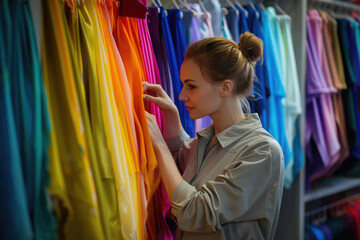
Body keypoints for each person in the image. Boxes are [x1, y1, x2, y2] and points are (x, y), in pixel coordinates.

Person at [143, 32, 285, 240]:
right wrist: (172, 117)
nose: (182, 95)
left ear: (225, 87)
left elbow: (193, 212)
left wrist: (160, 145)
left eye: (191, 86)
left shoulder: (262, 151)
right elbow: (180, 168)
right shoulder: (208, 140)